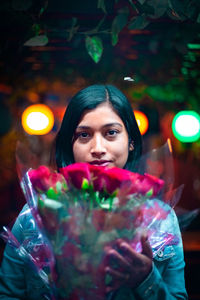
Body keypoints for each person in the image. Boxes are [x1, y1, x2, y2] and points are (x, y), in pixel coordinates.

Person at [0, 84, 187, 299]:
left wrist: (146, 279)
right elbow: (8, 294)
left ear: (131, 142)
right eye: (84, 135)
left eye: (111, 133)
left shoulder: (160, 218)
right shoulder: (34, 216)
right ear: (70, 143)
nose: (97, 148)